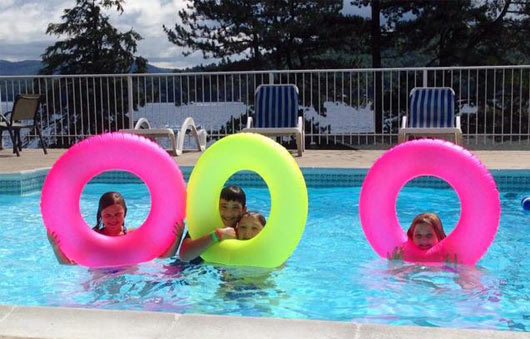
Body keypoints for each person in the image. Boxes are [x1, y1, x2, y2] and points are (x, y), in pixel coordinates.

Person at [48, 191, 182, 265]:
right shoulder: (92, 237)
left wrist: (178, 237)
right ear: (100, 215)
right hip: (100, 278)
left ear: (125, 213)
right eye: (107, 215)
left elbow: (162, 257)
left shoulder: (133, 235)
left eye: (118, 214)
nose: (113, 219)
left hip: (131, 277)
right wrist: (55, 246)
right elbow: (69, 264)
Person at [178, 186, 246, 262]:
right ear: (216, 207)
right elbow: (184, 256)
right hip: (191, 268)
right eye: (224, 207)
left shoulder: (245, 229)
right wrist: (216, 235)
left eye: (235, 207)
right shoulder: (204, 225)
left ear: (244, 210)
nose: (228, 213)